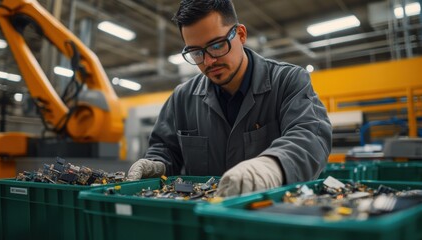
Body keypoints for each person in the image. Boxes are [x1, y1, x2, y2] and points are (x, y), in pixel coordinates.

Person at [127, 0, 332, 197]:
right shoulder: (182, 98)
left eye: (216, 45)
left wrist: (272, 166)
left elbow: (310, 135)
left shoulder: (287, 81)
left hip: (271, 216)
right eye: (196, 52)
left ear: (241, 35)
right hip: (206, 220)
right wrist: (157, 164)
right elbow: (165, 149)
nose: (208, 61)